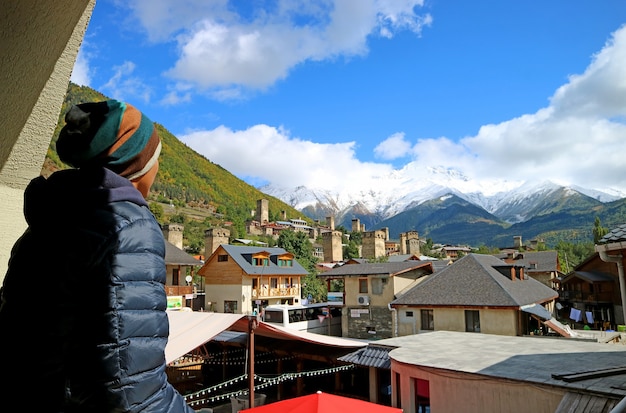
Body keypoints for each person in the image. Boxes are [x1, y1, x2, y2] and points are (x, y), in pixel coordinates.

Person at [0, 100, 194, 412]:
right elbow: (130, 388)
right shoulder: (128, 226)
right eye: (156, 158)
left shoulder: (49, 219)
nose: (158, 168)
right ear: (137, 164)